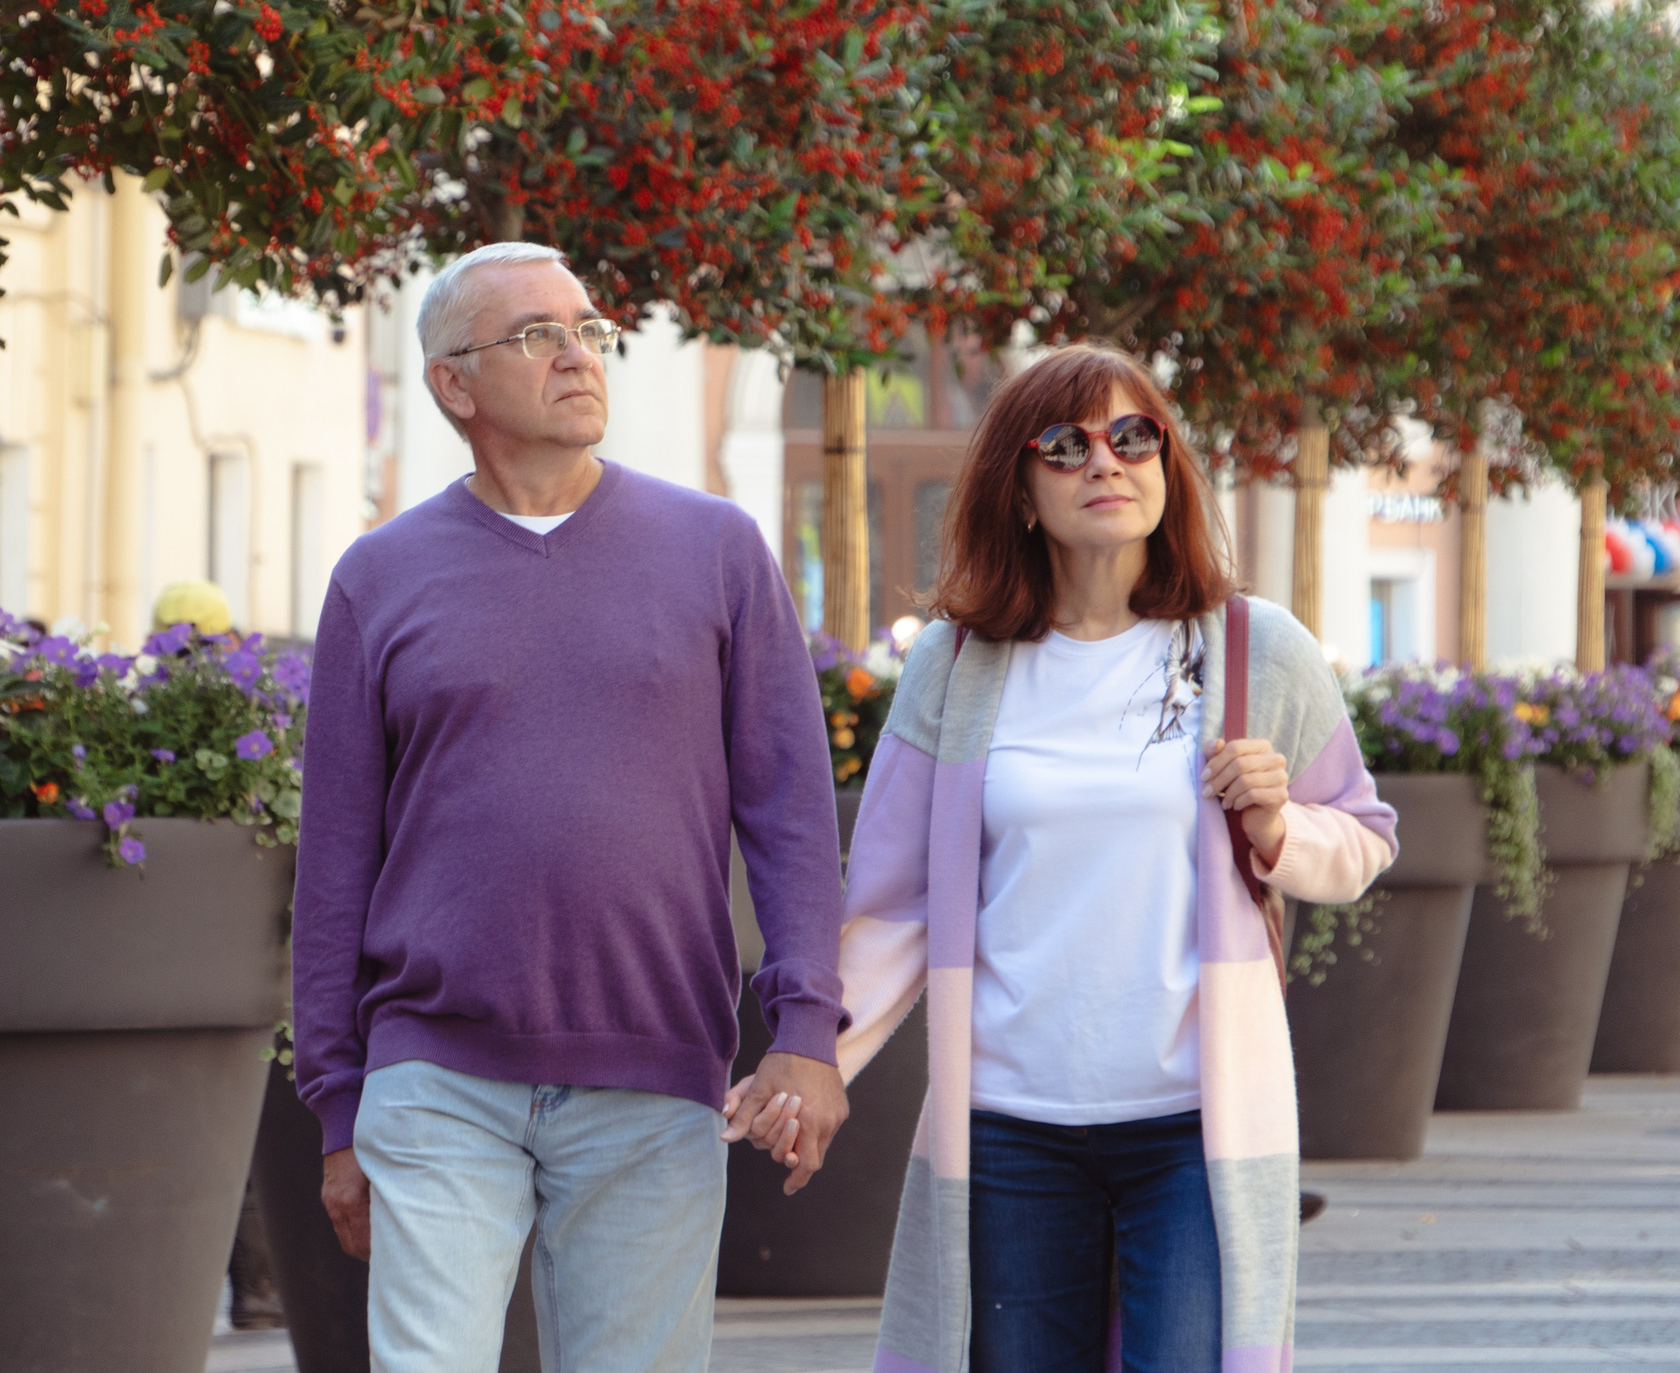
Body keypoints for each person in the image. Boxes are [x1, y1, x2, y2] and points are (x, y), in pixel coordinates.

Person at [293, 242, 850, 1373]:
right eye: (536, 333)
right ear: (453, 384)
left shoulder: (718, 551)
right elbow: (335, 862)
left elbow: (791, 812)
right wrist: (338, 1107)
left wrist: (807, 1033)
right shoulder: (377, 577)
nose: (578, 354)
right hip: (434, 1073)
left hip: (654, 1068)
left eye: (589, 329)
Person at [816, 343, 1394, 1373]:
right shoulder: (955, 664)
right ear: (1019, 488)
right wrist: (808, 1056)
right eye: (1065, 444)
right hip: (1007, 1127)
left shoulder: (1254, 650)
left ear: (1166, 467)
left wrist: (1278, 831)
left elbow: (1362, 837)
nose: (1105, 462)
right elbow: (891, 904)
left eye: (1134, 437)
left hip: (1195, 1128)